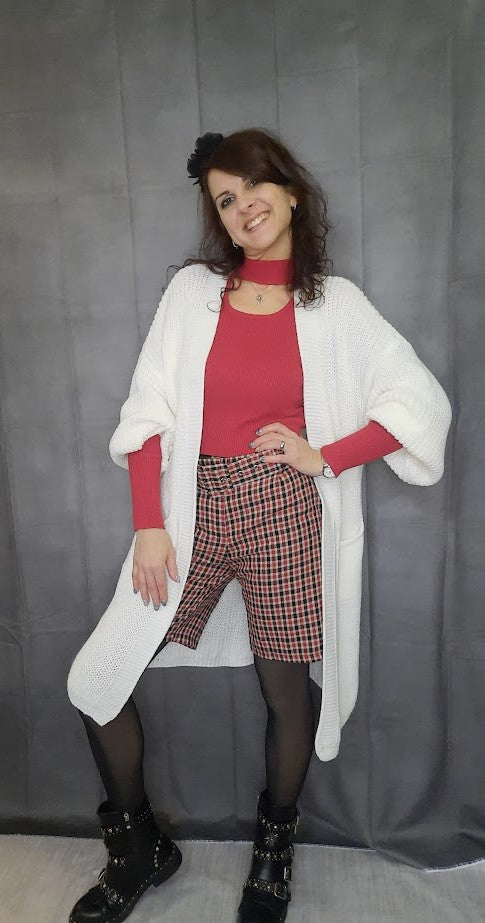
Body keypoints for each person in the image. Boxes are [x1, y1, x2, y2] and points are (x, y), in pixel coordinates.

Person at [67, 128, 452, 922]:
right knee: (98, 676)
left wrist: (325, 455)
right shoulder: (192, 294)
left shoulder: (335, 305)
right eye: (225, 199)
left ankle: (273, 851)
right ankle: (140, 847)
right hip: (193, 508)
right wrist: (149, 524)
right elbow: (148, 410)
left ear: (291, 192)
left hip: (284, 509)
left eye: (253, 187)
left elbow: (419, 405)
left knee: (284, 689)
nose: (243, 206)